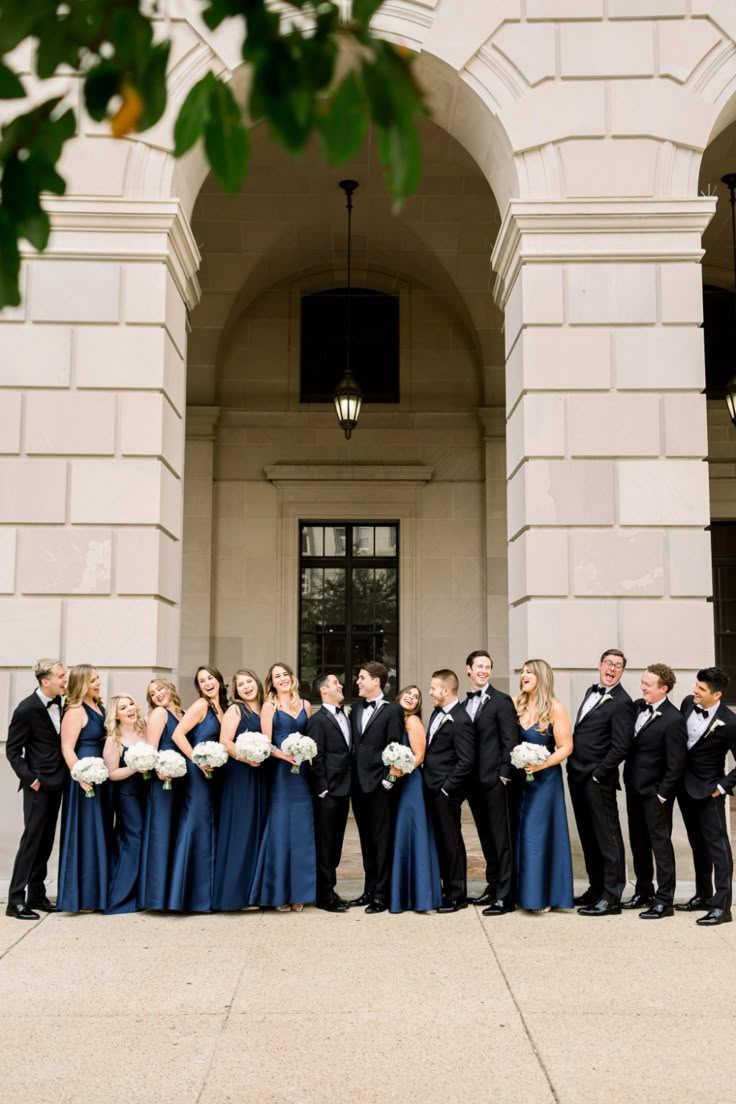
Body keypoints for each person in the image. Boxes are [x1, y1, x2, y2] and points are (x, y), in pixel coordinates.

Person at [569, 648, 635, 918]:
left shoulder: (622, 702)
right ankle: (596, 888)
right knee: (588, 834)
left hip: (598, 780)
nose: (612, 668)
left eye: (617, 665)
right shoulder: (590, 692)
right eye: (608, 663)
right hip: (577, 774)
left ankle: (612, 896)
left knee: (608, 837)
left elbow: (621, 746)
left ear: (622, 671)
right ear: (599, 665)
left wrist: (599, 773)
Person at [622, 663, 687, 919]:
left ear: (664, 689)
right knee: (638, 841)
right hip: (634, 788)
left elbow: (676, 762)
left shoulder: (674, 719)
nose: (642, 687)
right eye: (643, 682)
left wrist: (663, 793)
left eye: (648, 685)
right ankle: (643, 890)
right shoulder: (639, 706)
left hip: (656, 794)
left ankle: (664, 901)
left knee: (660, 845)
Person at [249, 662, 315, 911]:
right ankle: (278, 893)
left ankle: (300, 892)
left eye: (285, 674)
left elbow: (309, 737)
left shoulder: (305, 705)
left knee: (301, 830)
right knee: (280, 829)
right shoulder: (269, 706)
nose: (282, 679)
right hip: (281, 773)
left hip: (302, 774)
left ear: (292, 677)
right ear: (272, 683)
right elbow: (266, 742)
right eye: (277, 676)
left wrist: (304, 752)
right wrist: (284, 755)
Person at [5, 658, 68, 920]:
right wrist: (31, 779)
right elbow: (12, 751)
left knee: (44, 842)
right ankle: (15, 900)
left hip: (58, 782)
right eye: (61, 676)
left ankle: (37, 895)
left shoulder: (62, 704)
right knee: (31, 842)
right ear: (46, 681)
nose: (66, 680)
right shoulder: (26, 709)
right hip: (38, 787)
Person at [676, 667, 736, 926]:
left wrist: (721, 787)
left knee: (718, 847)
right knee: (697, 844)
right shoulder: (688, 704)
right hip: (684, 789)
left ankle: (722, 907)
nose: (694, 691)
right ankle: (703, 896)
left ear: (717, 694)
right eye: (696, 686)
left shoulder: (730, 722)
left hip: (709, 792)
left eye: (701, 689)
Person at [512, 659, 574, 913]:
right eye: (522, 671)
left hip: (545, 782)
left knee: (536, 835)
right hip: (520, 781)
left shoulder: (555, 708)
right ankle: (522, 894)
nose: (523, 675)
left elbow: (566, 747)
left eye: (529, 672)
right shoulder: (515, 704)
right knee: (519, 833)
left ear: (541, 677)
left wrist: (542, 764)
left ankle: (542, 896)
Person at [463, 650, 519, 916]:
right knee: (485, 837)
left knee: (501, 838)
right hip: (472, 783)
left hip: (496, 780)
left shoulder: (501, 701)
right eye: (479, 666)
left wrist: (504, 774)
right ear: (469, 669)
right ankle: (493, 884)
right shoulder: (464, 705)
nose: (484, 670)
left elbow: (510, 740)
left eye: (488, 666)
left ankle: (505, 896)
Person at [168, 665, 226, 912]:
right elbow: (178, 735)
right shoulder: (201, 705)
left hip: (219, 773)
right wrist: (197, 760)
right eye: (202, 681)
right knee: (197, 824)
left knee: (213, 826)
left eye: (210, 678)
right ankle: (189, 896)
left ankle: (211, 893)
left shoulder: (225, 707)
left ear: (220, 680)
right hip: (199, 773)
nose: (207, 683)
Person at [349, 660, 405, 914]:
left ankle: (381, 895)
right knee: (366, 840)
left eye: (362, 678)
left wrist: (388, 780)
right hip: (358, 785)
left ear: (376, 681)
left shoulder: (393, 711)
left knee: (381, 840)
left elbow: (395, 748)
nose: (358, 682)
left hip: (381, 786)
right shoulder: (355, 709)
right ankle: (369, 889)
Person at [213, 668, 269, 911]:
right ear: (235, 690)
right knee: (241, 828)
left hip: (262, 774)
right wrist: (247, 758)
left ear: (256, 682)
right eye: (241, 684)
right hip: (241, 773)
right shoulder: (236, 710)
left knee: (258, 829)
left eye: (249, 681)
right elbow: (225, 741)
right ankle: (234, 894)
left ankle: (255, 892)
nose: (246, 686)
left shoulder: (266, 707)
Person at [57, 665, 110, 913]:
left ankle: (98, 893)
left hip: (101, 775)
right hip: (84, 778)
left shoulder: (99, 707)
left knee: (99, 831)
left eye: (98, 679)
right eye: (92, 681)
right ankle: (83, 896)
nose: (97, 683)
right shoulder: (75, 711)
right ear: (80, 684)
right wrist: (79, 776)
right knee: (85, 832)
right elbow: (67, 747)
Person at [422, 669, 475, 913]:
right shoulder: (437, 712)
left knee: (451, 842)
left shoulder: (461, 719)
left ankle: (456, 895)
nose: (430, 692)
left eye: (434, 688)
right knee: (443, 841)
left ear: (446, 690)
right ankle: (447, 888)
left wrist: (446, 788)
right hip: (432, 787)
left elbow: (466, 760)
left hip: (446, 792)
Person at [388, 685, 442, 913]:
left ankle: (418, 895)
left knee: (410, 832)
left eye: (417, 696)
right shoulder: (394, 719)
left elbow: (420, 756)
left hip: (410, 784)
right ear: (399, 696)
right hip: (396, 784)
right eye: (409, 693)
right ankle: (400, 894)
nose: (412, 697)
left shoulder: (413, 722)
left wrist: (401, 771)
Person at [306, 673, 352, 912]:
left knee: (335, 844)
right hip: (328, 792)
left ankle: (330, 889)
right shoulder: (317, 721)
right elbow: (315, 756)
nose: (340, 685)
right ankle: (324, 895)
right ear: (324, 690)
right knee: (325, 844)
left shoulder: (345, 715)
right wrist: (322, 788)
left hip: (344, 790)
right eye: (335, 683)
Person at [137, 678, 184, 910]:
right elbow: (150, 749)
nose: (157, 695)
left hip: (181, 781)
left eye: (159, 689)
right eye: (152, 694)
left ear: (169, 688)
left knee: (176, 833)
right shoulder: (159, 714)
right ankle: (157, 896)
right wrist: (160, 770)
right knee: (162, 832)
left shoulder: (181, 713)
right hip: (164, 780)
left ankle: (172, 894)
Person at [103, 694, 148, 915]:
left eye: (131, 703)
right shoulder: (114, 740)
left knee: (144, 838)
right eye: (123, 707)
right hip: (127, 795)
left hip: (147, 793)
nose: (130, 708)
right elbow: (112, 773)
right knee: (135, 838)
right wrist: (135, 767)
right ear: (116, 715)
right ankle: (121, 897)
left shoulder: (145, 730)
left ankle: (142, 892)